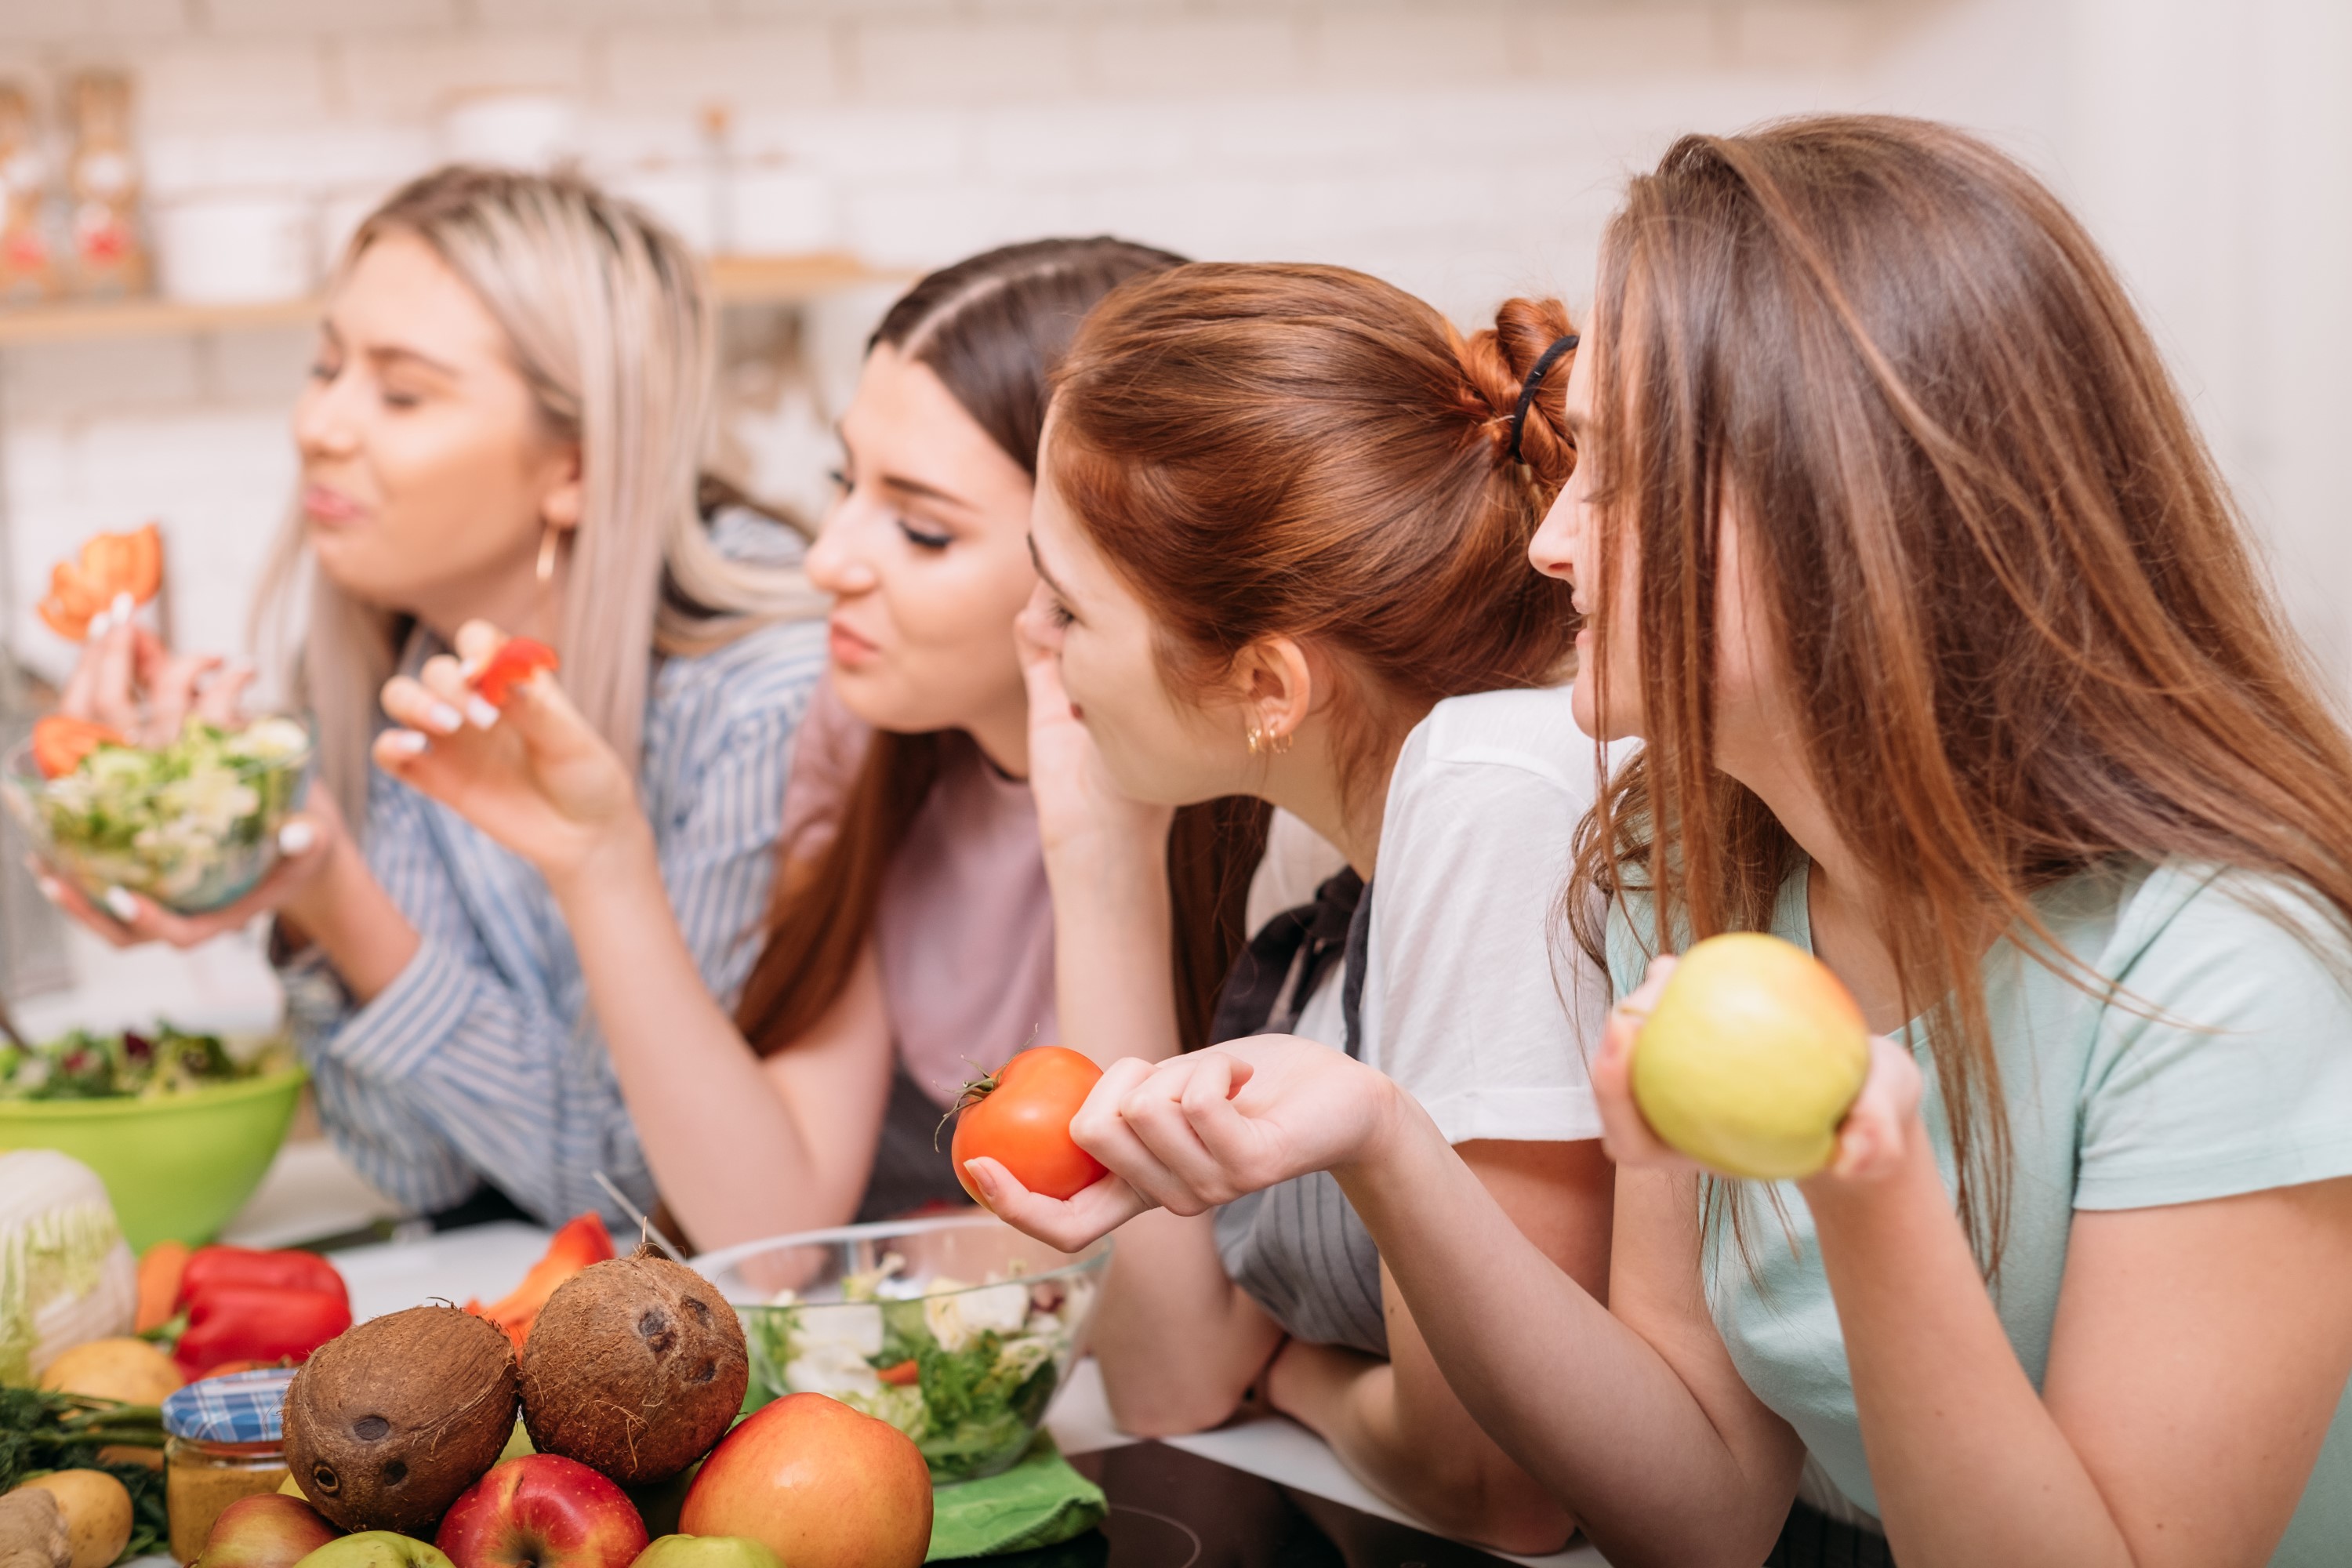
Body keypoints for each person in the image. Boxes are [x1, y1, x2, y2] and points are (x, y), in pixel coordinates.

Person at [976, 117, 2352, 1568]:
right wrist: (1384, 1142)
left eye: (1619, 479)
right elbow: (1696, 1510)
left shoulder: (2223, 974)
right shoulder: (1691, 873)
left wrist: (1865, 1190)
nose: (1551, 544)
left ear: (1844, 516)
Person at [375, 239, 1267, 1250]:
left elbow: (1169, 1333)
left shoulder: (1257, 816)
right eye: (847, 483)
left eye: (922, 531)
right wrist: (599, 859)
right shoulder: (869, 738)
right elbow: (774, 1224)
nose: (827, 559)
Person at [39, 165, 826, 1227]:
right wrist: (269, 865)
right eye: (326, 366)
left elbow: (632, 1199)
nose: (321, 423)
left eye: (401, 392)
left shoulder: (763, 701)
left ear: (576, 469)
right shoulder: (399, 661)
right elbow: (420, 1171)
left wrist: (340, 901)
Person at [1014, 261, 1613, 1554]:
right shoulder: (1324, 819)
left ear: (1268, 683)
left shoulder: (1494, 810)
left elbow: (1502, 1487)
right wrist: (1098, 852)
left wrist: (1296, 1377)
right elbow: (1172, 1376)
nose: (1032, 639)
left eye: (1065, 605)